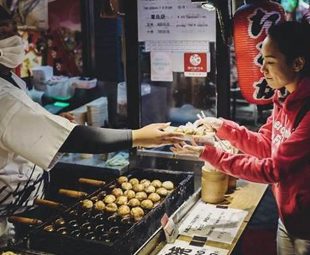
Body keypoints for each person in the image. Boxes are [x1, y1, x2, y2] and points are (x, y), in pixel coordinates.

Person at [0, 6, 183, 241]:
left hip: (23, 200)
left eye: (14, 30)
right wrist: (137, 136)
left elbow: (20, 121)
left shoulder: (10, 78)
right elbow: (71, 138)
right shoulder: (3, 94)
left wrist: (49, 121)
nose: (15, 39)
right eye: (4, 33)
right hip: (7, 210)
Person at [172, 21, 310, 255]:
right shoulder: (284, 98)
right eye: (262, 61)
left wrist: (209, 154)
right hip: (288, 218)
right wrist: (222, 127)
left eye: (271, 62)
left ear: (297, 63)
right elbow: (266, 145)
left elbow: (272, 169)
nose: (263, 70)